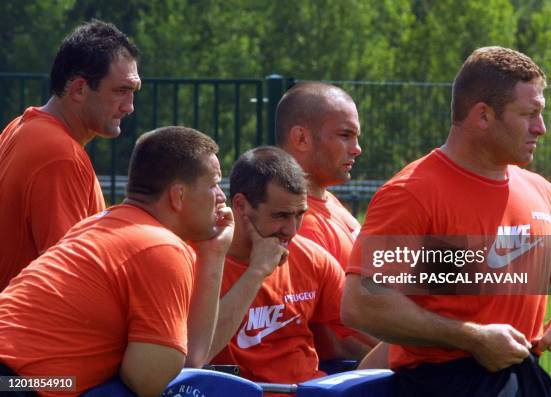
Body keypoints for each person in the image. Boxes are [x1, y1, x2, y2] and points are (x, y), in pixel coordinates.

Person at [341, 46, 551, 396]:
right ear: (483, 115)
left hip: (522, 375)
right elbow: (362, 303)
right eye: (529, 114)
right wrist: (472, 337)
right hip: (442, 384)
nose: (541, 128)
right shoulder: (413, 193)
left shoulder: (540, 190)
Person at [0, 126, 233, 397]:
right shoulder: (160, 247)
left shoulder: (100, 223)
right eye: (214, 183)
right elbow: (147, 380)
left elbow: (189, 360)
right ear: (178, 196)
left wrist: (214, 253)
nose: (221, 196)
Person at [0, 19, 141, 290]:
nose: (130, 107)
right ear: (78, 89)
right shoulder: (60, 155)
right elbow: (69, 279)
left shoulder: (21, 127)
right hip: (32, 329)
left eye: (133, 92)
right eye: (121, 91)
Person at [203, 146, 353, 384]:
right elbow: (200, 353)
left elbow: (358, 330)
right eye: (280, 216)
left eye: (299, 214)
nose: (292, 230)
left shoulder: (312, 258)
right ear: (241, 206)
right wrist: (256, 272)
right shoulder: (201, 260)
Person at [275, 82, 376, 362]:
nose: (357, 149)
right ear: (302, 138)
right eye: (345, 135)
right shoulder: (298, 223)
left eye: (356, 137)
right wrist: (409, 355)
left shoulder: (329, 201)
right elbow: (328, 340)